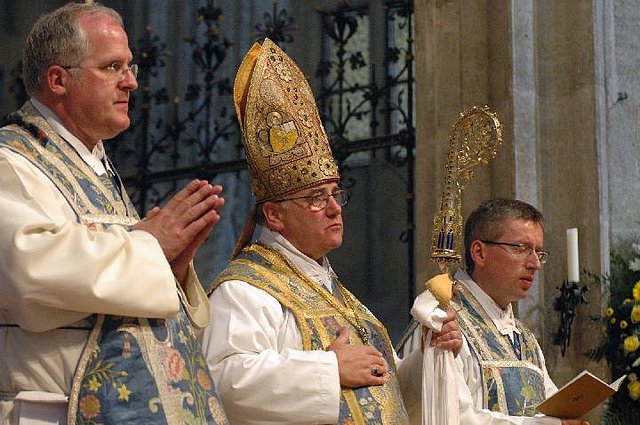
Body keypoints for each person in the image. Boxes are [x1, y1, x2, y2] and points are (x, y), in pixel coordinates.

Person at [201, 38, 461, 424]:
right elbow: (222, 381)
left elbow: (383, 395)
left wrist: (429, 354)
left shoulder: (339, 296)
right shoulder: (245, 290)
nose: (336, 208)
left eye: (335, 193)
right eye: (316, 198)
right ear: (273, 214)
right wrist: (327, 369)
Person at [0, 3, 229, 424]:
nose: (132, 83)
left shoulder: (97, 169)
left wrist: (171, 269)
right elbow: (26, 270)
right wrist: (149, 248)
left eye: (131, 66)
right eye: (112, 67)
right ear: (58, 80)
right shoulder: (12, 162)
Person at [449, 198, 588, 425]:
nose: (535, 264)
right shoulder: (444, 326)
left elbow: (551, 407)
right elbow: (449, 415)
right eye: (521, 248)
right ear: (479, 252)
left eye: (539, 252)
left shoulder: (524, 339)